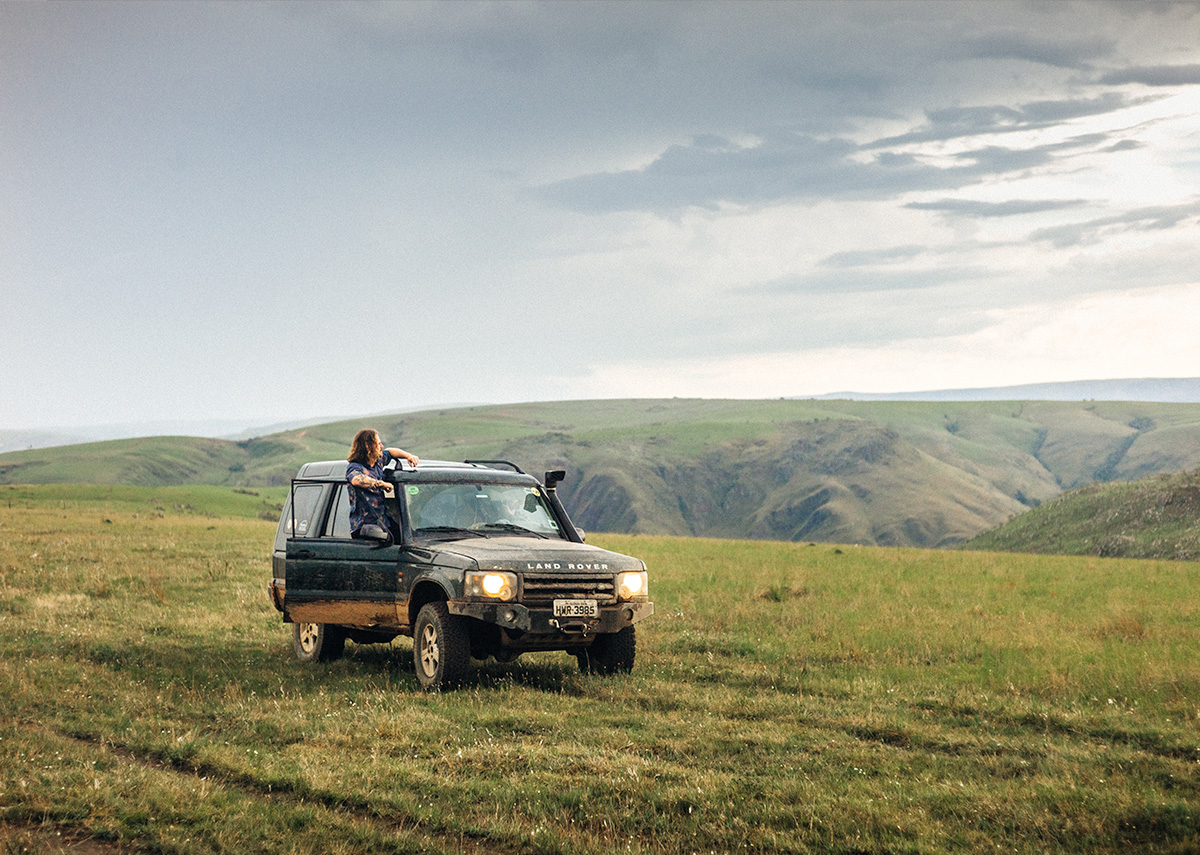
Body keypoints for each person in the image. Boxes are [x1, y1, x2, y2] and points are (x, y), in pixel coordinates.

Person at [345, 429, 419, 541]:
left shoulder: (378, 462)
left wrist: (408, 456)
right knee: (386, 539)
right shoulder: (355, 467)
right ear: (368, 446)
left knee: (404, 538)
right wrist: (381, 484)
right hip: (365, 527)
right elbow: (356, 480)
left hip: (383, 522)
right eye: (378, 443)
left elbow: (390, 452)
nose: (382, 446)